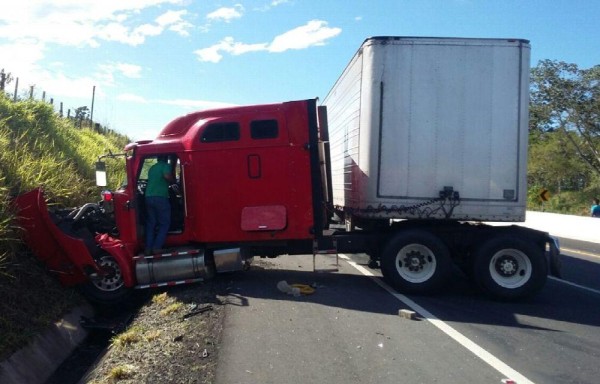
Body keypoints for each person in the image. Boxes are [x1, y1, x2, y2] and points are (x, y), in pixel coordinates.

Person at [145, 156, 174, 255]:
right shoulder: (165, 166)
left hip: (148, 196)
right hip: (160, 197)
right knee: (164, 223)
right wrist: (173, 180)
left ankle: (148, 248)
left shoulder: (152, 168)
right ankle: (157, 247)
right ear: (165, 159)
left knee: (151, 223)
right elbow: (166, 176)